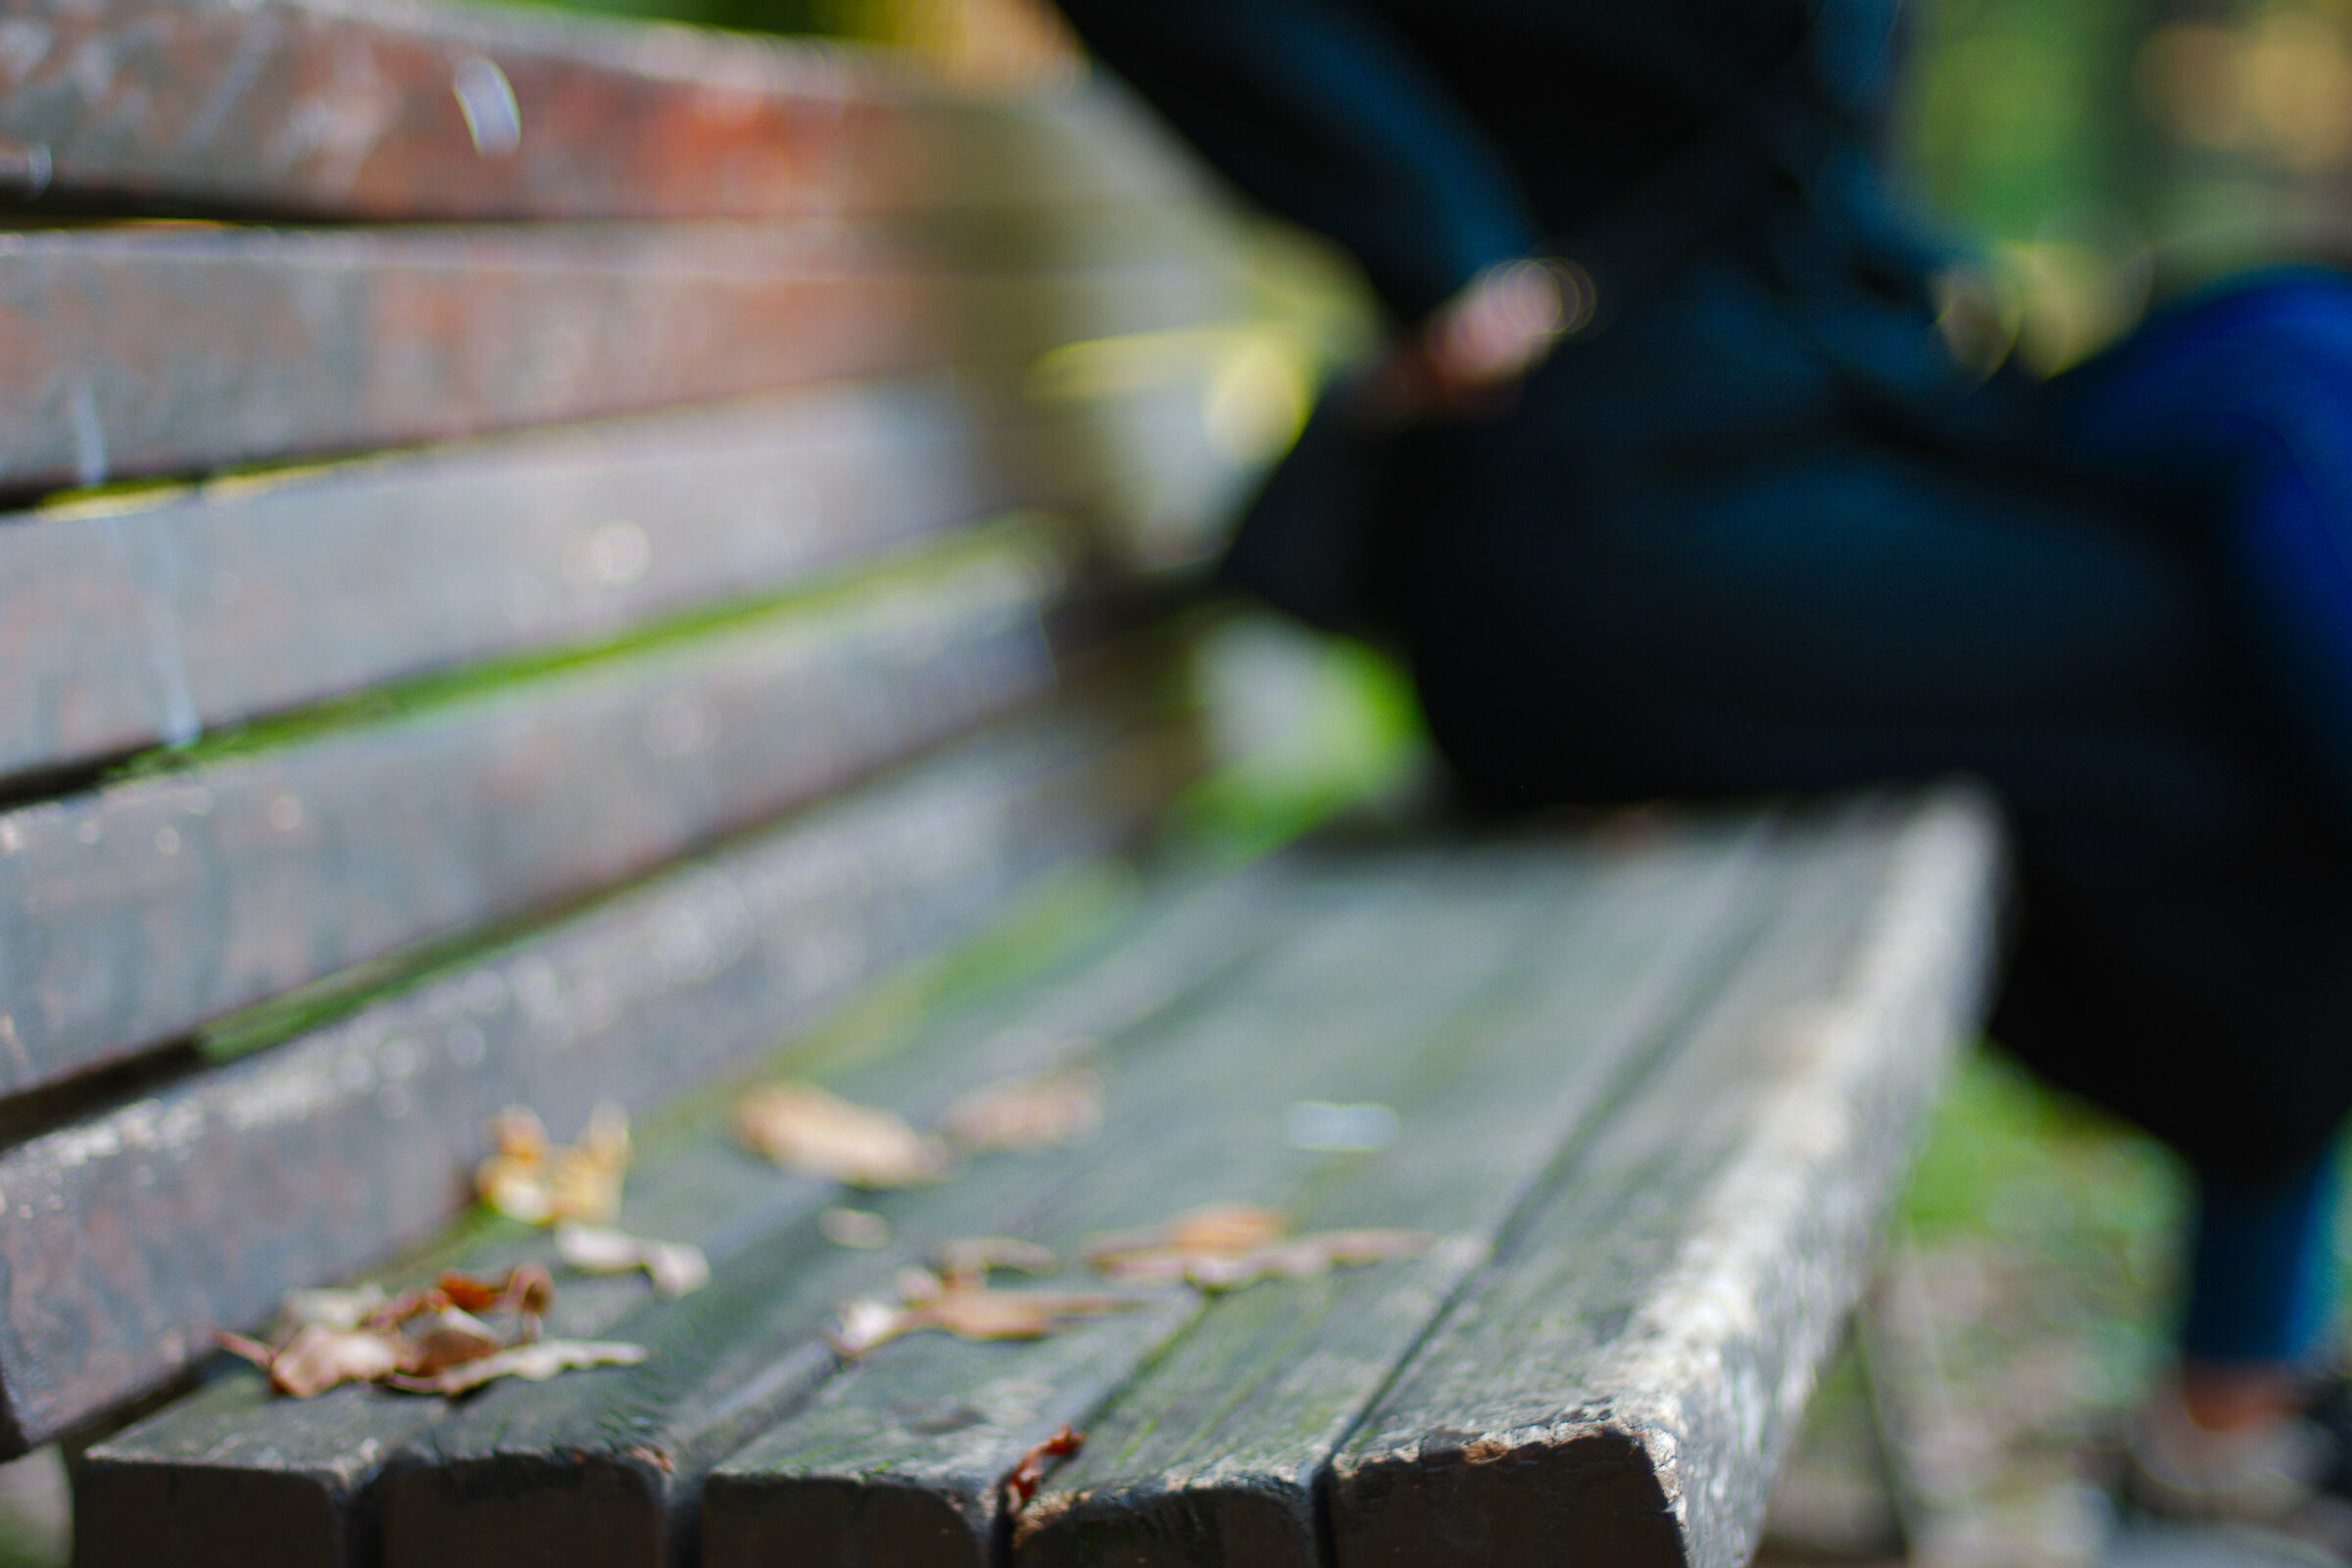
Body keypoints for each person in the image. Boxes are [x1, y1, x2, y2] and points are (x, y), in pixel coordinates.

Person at [1047, 0, 2352, 1544]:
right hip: (1623, 510)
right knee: (2235, 643)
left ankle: (2232, 1399)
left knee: (2295, 359)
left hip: (1835, 412)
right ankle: (2231, 1401)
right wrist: (1433, 242)